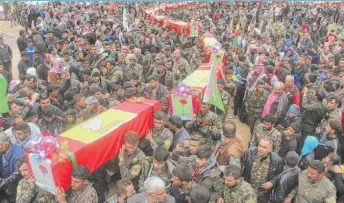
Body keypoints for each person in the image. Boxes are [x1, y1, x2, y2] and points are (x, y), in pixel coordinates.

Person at [241, 138, 283, 203]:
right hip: (247, 189)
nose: (260, 149)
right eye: (260, 146)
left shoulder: (277, 160)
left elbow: (279, 175)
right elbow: (241, 166)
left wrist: (272, 182)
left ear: (270, 149)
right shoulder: (249, 153)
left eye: (264, 147)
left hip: (263, 193)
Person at [0, 133, 24, 203]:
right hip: (5, 185)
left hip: (13, 188)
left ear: (6, 144)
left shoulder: (19, 155)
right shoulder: (2, 151)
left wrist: (2, 183)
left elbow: (17, 175)